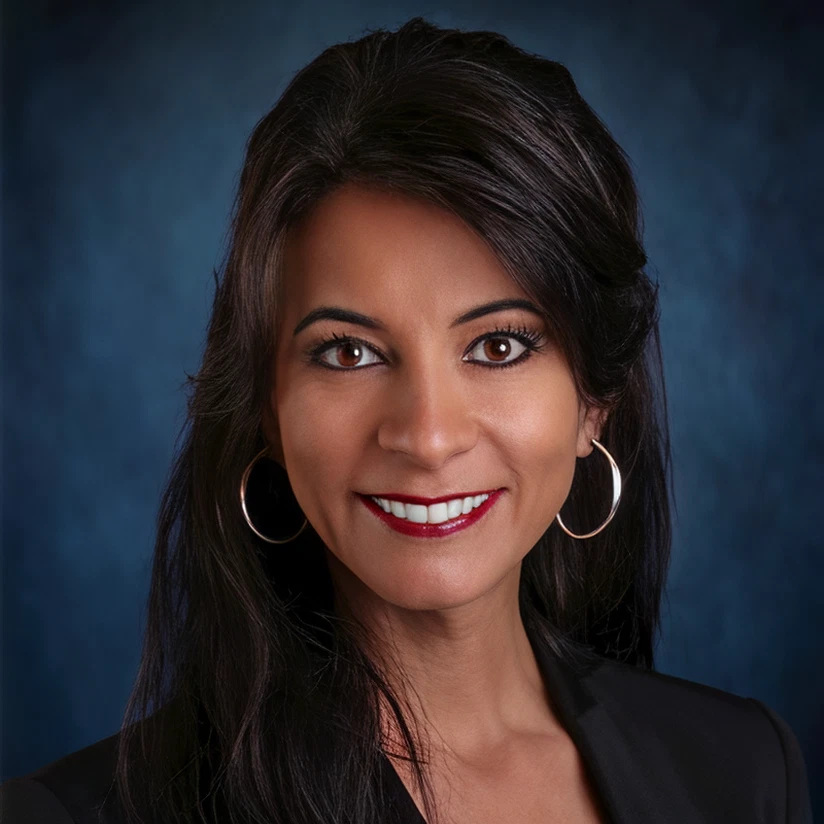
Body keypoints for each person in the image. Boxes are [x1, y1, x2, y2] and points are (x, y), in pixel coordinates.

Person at [0, 16, 813, 824]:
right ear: (266, 407)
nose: (427, 437)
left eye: (498, 345)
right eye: (348, 353)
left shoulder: (742, 770)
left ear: (594, 401)